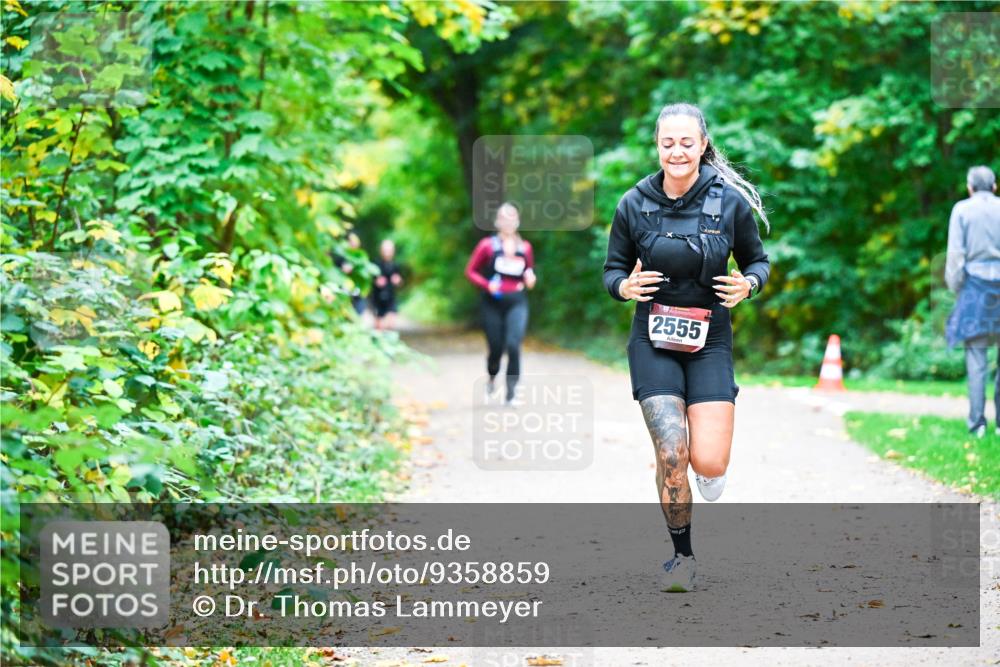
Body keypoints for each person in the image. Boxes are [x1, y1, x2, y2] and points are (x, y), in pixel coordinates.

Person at [603, 102, 770, 592]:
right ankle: (682, 558)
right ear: (657, 146)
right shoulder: (633, 203)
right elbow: (613, 270)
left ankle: (688, 466)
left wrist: (749, 286)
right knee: (673, 449)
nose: (676, 151)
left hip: (710, 337)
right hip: (652, 337)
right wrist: (623, 288)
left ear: (702, 145)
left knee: (709, 462)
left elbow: (758, 262)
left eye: (686, 142)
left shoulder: (728, 202)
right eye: (667, 142)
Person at [945, 165, 1000, 439]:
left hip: (976, 289)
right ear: (994, 186)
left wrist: (956, 289)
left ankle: (977, 424)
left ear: (969, 187)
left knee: (976, 357)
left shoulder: (962, 210)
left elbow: (955, 255)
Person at [464, 203, 537, 405]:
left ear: (517, 221)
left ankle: (511, 393)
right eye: (504, 218)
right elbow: (470, 271)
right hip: (492, 303)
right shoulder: (487, 246)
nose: (508, 221)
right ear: (497, 222)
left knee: (513, 345)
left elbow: (528, 273)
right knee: (495, 348)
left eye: (512, 217)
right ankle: (492, 378)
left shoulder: (525, 248)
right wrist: (487, 285)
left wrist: (530, 279)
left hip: (517, 302)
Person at [372, 238, 403, 331]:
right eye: (385, 250)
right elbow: (370, 281)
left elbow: (399, 282)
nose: (387, 252)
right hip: (378, 298)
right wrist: (376, 281)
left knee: (391, 323)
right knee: (379, 326)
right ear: (381, 251)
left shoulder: (395, 265)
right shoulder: (376, 264)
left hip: (391, 297)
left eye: (389, 250)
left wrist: (398, 281)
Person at [332, 232, 366, 316]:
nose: (353, 243)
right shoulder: (339, 255)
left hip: (356, 294)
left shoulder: (361, 257)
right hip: (343, 292)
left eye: (355, 241)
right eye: (350, 241)